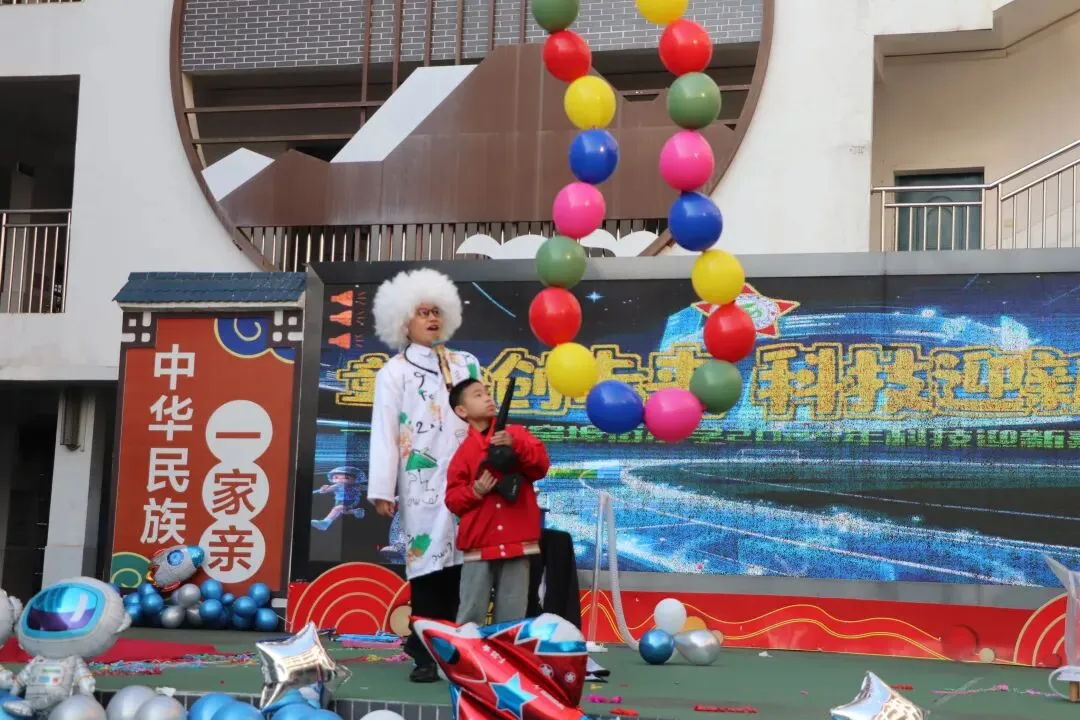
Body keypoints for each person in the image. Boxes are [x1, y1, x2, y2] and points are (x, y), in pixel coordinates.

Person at [367, 268, 482, 683]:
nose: (431, 319)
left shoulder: (465, 363)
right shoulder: (393, 372)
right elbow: (384, 431)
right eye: (422, 312)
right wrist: (383, 488)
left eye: (436, 311)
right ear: (404, 322)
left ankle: (459, 647)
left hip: (466, 479)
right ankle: (425, 650)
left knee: (463, 565)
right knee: (427, 563)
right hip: (420, 484)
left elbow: (481, 415)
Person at [444, 378, 550, 626]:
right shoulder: (463, 453)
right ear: (462, 411)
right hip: (479, 543)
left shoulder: (517, 434)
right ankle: (469, 654)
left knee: (512, 620)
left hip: (516, 541)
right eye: (478, 395)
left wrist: (516, 445)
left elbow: (541, 466)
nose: (487, 398)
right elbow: (452, 500)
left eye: (487, 393)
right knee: (470, 616)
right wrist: (475, 491)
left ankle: (506, 653)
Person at [311, 466, 366, 531]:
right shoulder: (336, 486)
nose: (340, 480)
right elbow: (325, 491)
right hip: (339, 501)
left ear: (355, 479)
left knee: (337, 509)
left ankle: (325, 523)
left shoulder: (356, 486)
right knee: (342, 510)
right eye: (336, 477)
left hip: (351, 500)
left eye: (346, 478)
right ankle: (356, 511)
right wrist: (323, 489)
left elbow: (365, 487)